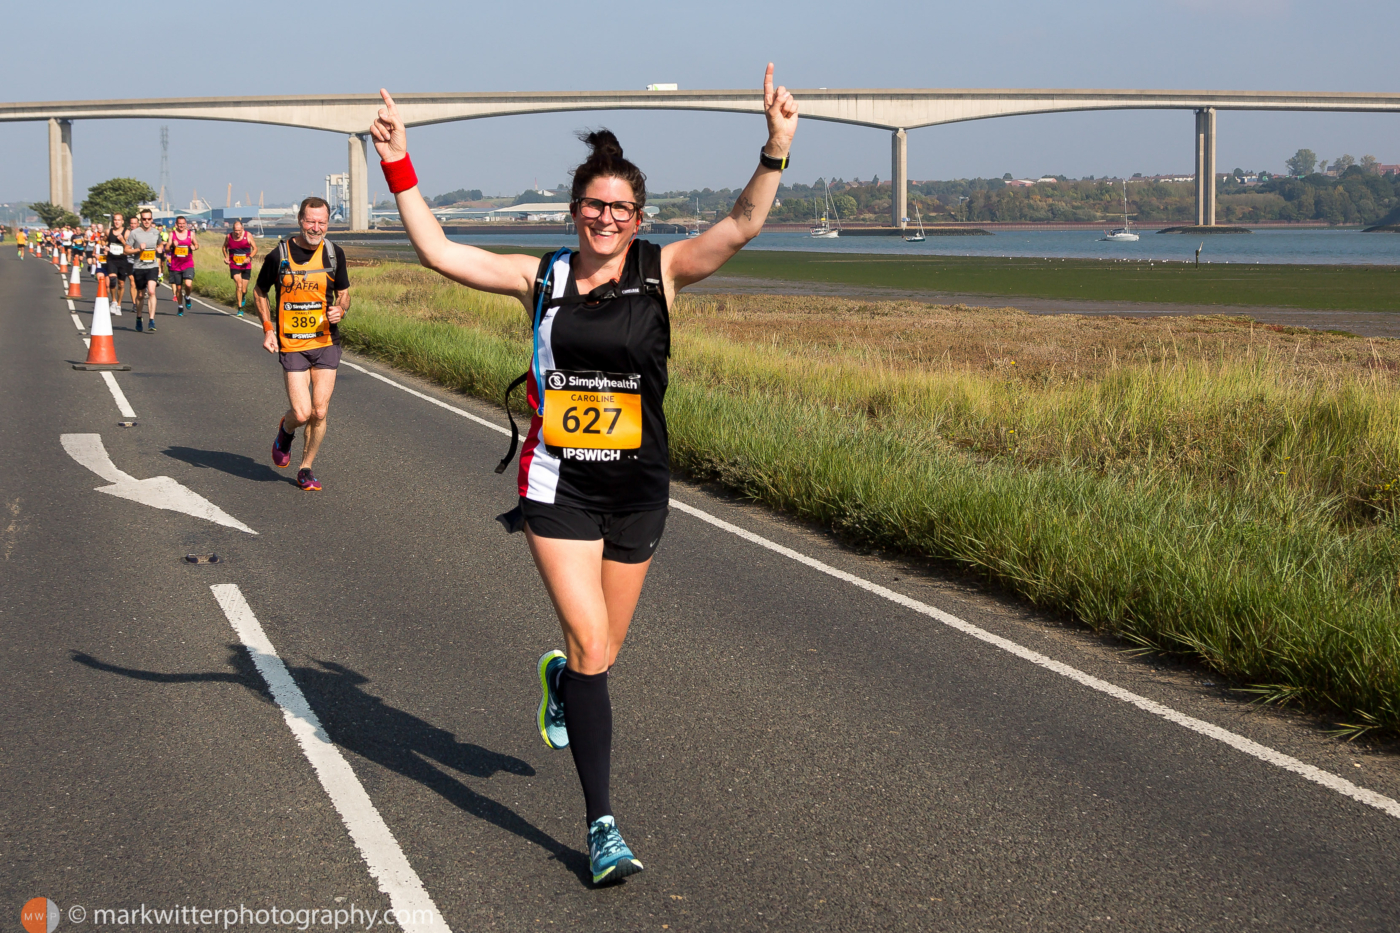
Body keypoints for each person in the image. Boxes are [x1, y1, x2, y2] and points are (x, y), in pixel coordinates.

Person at [369, 63, 798, 886]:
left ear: (640, 218)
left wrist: (775, 147)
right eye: (595, 206)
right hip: (556, 483)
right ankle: (602, 825)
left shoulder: (663, 274)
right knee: (596, 641)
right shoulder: (544, 279)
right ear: (575, 212)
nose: (607, 218)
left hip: (638, 489)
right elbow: (436, 250)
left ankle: (561, 679)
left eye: (622, 208)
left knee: (598, 655)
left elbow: (742, 224)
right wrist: (399, 163)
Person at [252, 196, 351, 492]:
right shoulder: (279, 255)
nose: (316, 227)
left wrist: (341, 309)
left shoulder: (334, 253)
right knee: (302, 413)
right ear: (299, 220)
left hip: (326, 341)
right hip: (292, 344)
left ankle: (306, 468)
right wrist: (268, 329)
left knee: (320, 412)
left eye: (321, 222)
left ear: (328, 223)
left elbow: (345, 293)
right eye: (310, 221)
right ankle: (286, 429)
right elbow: (259, 292)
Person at [126, 209, 163, 332]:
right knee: (141, 295)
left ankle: (151, 320)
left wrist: (160, 249)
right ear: (140, 220)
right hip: (139, 267)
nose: (146, 221)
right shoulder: (134, 233)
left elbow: (160, 244)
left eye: (148, 219)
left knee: (152, 291)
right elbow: (126, 250)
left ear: (151, 219)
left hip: (152, 266)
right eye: (144, 219)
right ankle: (139, 317)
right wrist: (138, 250)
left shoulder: (156, 232)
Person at [222, 220, 258, 314]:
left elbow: (255, 249)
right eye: (235, 230)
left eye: (239, 230)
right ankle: (240, 308)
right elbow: (224, 247)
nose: (237, 232)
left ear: (242, 229)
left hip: (246, 265)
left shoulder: (248, 235)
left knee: (244, 289)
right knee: (239, 285)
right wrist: (226, 257)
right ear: (233, 230)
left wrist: (249, 258)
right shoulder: (229, 237)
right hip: (234, 264)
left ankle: (243, 296)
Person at [166, 215, 199, 315]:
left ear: (186, 224)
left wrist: (194, 247)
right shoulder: (172, 234)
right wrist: (172, 245)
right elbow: (167, 248)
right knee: (179, 288)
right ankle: (180, 306)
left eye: (183, 224)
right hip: (176, 265)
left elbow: (197, 245)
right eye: (179, 224)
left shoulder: (191, 234)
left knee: (188, 285)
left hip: (188, 263)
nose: (181, 225)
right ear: (176, 224)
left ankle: (187, 297)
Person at [105, 214, 132, 310]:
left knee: (121, 284)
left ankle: (119, 304)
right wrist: (105, 247)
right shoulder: (109, 231)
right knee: (112, 280)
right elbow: (103, 241)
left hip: (122, 260)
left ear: (122, 221)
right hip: (111, 259)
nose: (117, 222)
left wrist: (122, 240)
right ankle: (113, 300)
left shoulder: (127, 232)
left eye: (119, 220)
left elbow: (129, 247)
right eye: (115, 220)